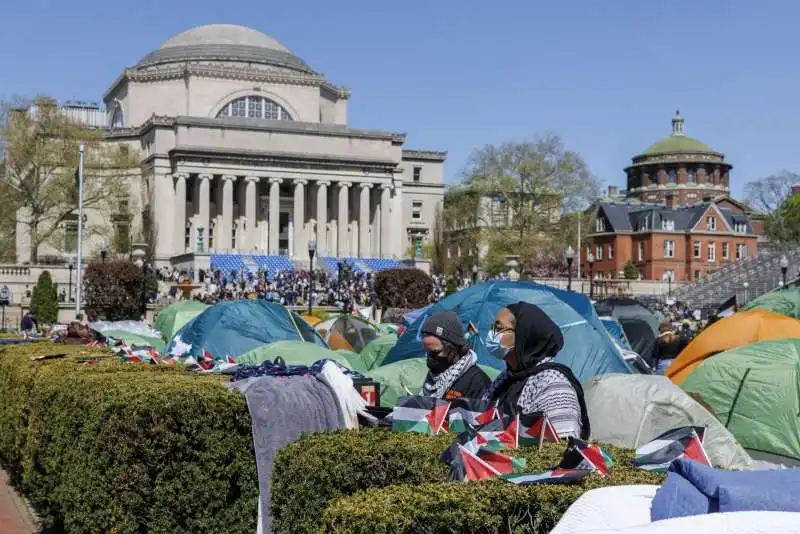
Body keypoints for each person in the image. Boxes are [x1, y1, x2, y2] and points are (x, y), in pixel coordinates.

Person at [482, 302, 589, 439]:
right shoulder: (505, 379)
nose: (492, 334)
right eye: (493, 327)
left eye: (499, 328)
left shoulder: (554, 387)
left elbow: (558, 450)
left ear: (523, 335)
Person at [419, 311, 491, 401]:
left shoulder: (478, 382)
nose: (430, 357)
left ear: (453, 349)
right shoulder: (433, 376)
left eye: (435, 353)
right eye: (427, 352)